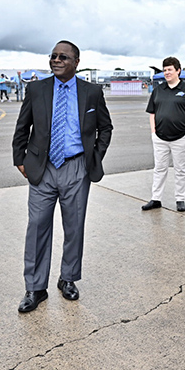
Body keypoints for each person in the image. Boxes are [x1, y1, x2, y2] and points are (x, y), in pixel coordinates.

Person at [13, 40, 113, 313]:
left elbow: (106, 128)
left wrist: (94, 157)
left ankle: (67, 278)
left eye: (63, 57)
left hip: (76, 167)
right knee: (37, 227)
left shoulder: (91, 92)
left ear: (76, 62)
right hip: (42, 169)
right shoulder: (36, 88)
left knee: (74, 227)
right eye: (53, 56)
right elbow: (23, 126)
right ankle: (35, 287)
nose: (56, 60)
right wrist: (19, 159)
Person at [142, 57, 185, 212]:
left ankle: (180, 199)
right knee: (159, 168)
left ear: (178, 70)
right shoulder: (158, 90)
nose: (167, 72)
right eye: (164, 70)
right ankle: (156, 198)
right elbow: (152, 112)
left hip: (181, 138)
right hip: (160, 138)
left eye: (170, 69)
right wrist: (153, 132)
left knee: (181, 169)